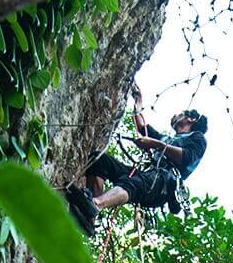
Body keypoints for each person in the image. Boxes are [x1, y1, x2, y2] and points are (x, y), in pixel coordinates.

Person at [66, 82, 208, 234]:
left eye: (181, 114)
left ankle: (96, 204)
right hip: (149, 177)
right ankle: (89, 219)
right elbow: (142, 128)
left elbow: (186, 158)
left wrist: (155, 144)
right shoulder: (167, 139)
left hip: (163, 184)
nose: (176, 116)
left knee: (132, 183)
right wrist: (138, 101)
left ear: (191, 119)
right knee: (100, 161)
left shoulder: (198, 138)